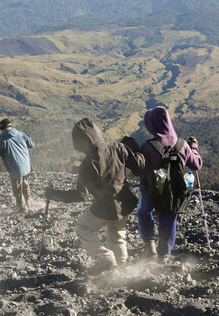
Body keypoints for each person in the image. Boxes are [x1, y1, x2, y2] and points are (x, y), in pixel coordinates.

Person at [46, 118, 145, 276]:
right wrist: (134, 149)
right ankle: (123, 270)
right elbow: (138, 167)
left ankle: (105, 258)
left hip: (105, 207)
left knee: (83, 227)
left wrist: (55, 194)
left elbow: (80, 195)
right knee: (117, 235)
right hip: (124, 202)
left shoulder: (87, 165)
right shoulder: (118, 147)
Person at [136, 106, 203, 263]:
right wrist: (193, 147)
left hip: (150, 191)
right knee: (168, 220)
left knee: (144, 212)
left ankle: (149, 246)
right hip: (173, 193)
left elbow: (140, 169)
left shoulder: (147, 146)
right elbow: (196, 165)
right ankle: (164, 256)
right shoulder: (182, 145)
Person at [0, 118, 35, 213]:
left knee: (18, 191)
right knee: (25, 185)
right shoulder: (21, 134)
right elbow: (31, 144)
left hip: (15, 170)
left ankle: (23, 210)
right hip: (26, 167)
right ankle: (28, 204)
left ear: (1, 128)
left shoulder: (2, 141)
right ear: (11, 126)